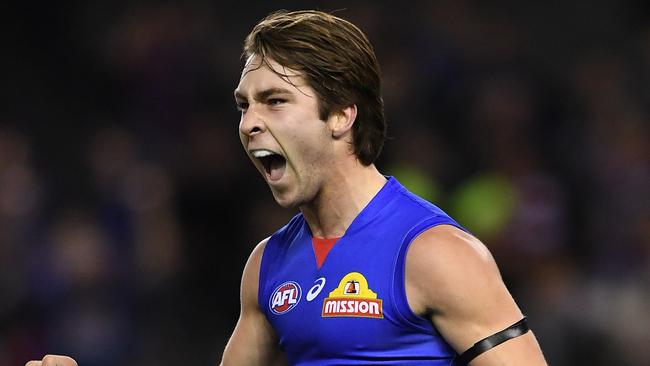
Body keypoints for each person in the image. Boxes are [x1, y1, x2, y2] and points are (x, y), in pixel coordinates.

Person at [27, 9, 547, 366]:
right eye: (243, 105)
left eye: (274, 101)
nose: (249, 122)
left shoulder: (435, 253)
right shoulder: (267, 266)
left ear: (342, 114)